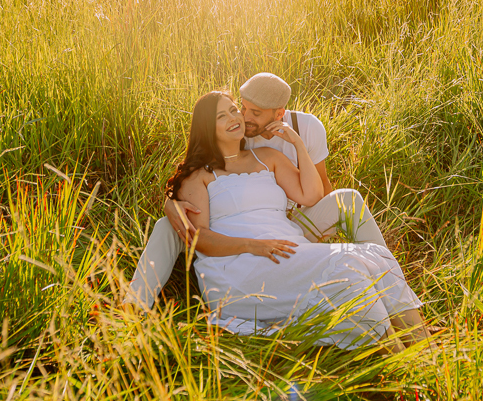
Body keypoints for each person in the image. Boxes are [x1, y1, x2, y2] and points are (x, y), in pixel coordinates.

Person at [166, 90, 429, 350]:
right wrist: (253, 245)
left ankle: (424, 349)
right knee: (348, 266)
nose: (234, 117)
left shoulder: (266, 157)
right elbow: (199, 238)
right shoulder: (198, 176)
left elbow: (311, 194)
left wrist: (297, 144)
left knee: (376, 256)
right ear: (206, 128)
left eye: (234, 109)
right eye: (221, 116)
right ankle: (402, 360)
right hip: (237, 268)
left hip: (285, 250)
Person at [124, 73, 388, 309]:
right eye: (242, 108)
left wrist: (297, 145)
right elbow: (197, 165)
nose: (244, 118)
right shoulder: (240, 134)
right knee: (167, 225)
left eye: (255, 113)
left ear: (279, 114)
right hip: (237, 229)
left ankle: (387, 271)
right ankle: (134, 304)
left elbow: (320, 191)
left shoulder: (305, 128)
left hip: (291, 223)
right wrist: (170, 203)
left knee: (348, 199)